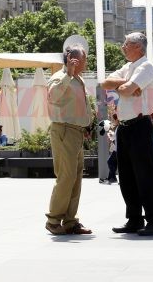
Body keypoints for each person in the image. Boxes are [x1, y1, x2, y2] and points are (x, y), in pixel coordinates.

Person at [102, 32, 153, 236]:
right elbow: (105, 83)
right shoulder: (129, 68)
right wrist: (127, 84)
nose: (122, 48)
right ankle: (134, 218)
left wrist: (125, 86)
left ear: (139, 47)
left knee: (145, 175)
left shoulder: (146, 66)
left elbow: (127, 89)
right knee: (127, 176)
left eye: (126, 44)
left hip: (140, 125)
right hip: (125, 126)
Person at [45, 44, 93, 235]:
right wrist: (68, 75)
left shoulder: (77, 79)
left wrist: (86, 126)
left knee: (75, 178)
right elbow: (53, 97)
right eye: (84, 59)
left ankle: (70, 221)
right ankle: (54, 220)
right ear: (73, 60)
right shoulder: (59, 77)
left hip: (76, 131)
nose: (86, 62)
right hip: (64, 130)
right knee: (66, 176)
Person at [106, 114, 119, 184]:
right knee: (112, 162)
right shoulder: (117, 127)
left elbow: (116, 137)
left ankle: (112, 177)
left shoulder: (119, 127)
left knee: (110, 162)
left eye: (113, 120)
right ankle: (111, 177)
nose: (112, 121)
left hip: (118, 149)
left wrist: (112, 136)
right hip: (116, 149)